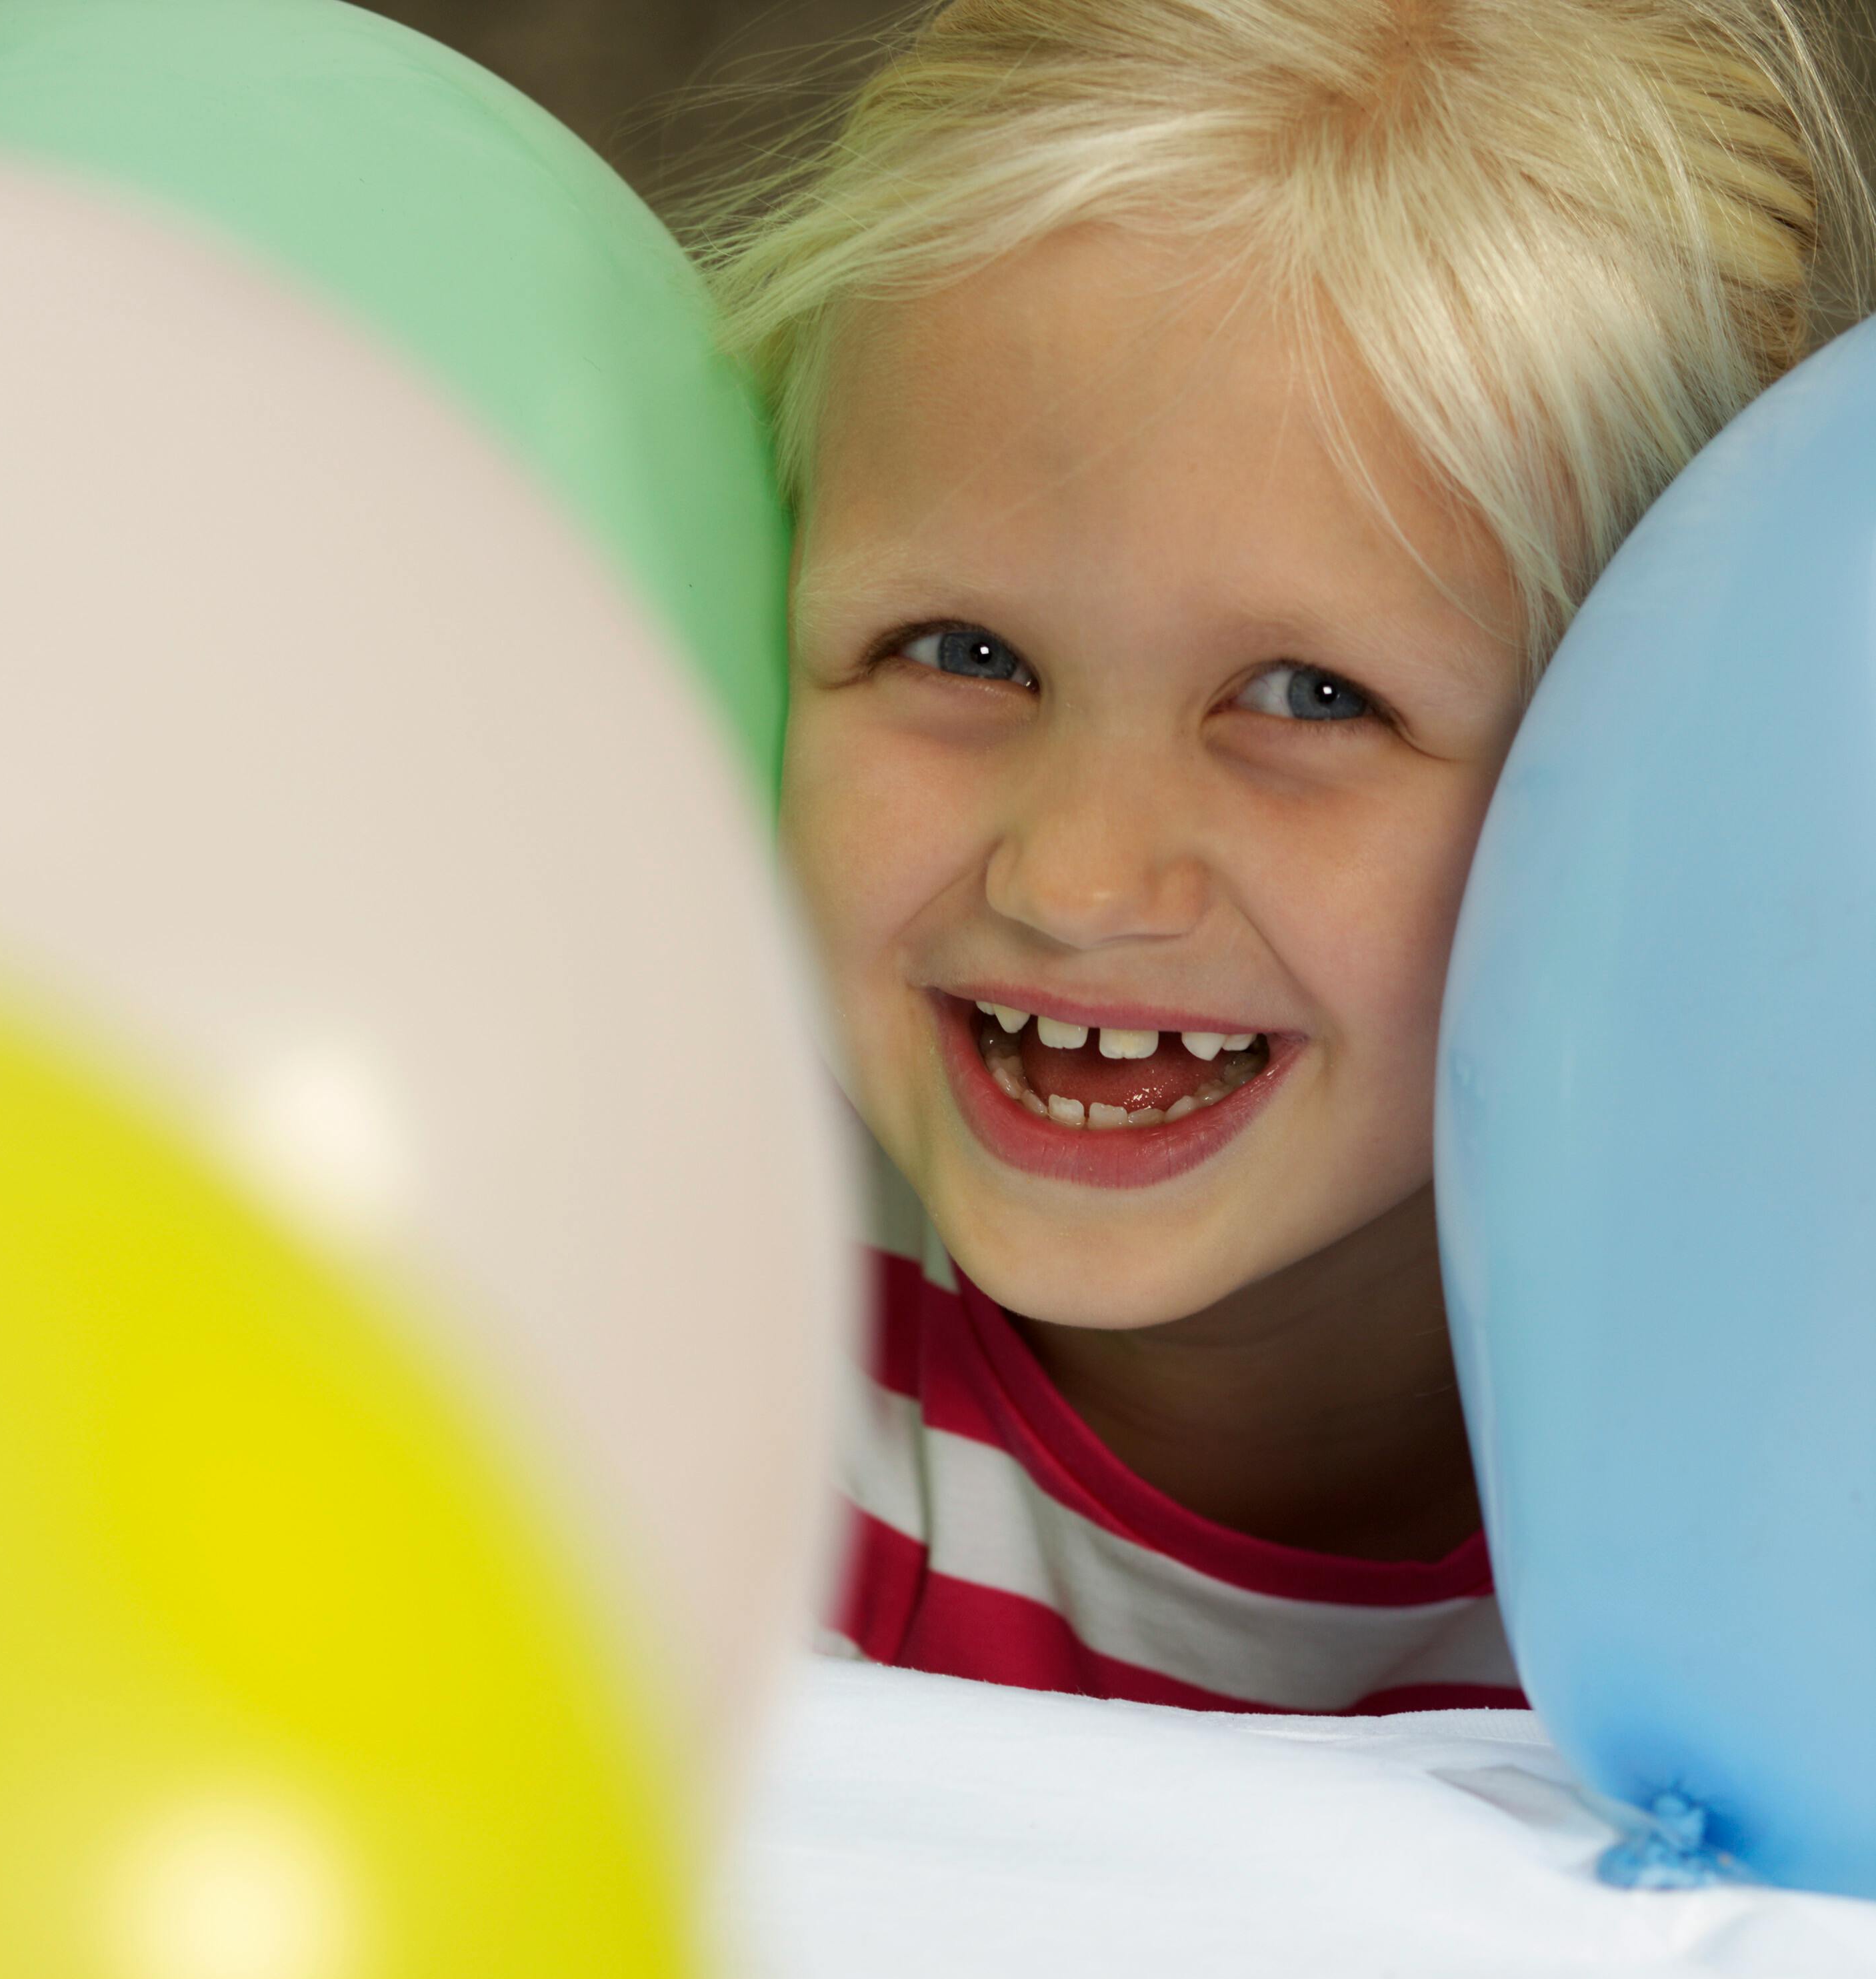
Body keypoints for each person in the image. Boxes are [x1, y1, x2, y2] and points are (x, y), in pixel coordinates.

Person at [698, 0, 1871, 1711]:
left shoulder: (1796, 1502)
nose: (1077, 881)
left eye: (1312, 698)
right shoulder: (663, 1330)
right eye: (958, 653)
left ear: (1659, 750)